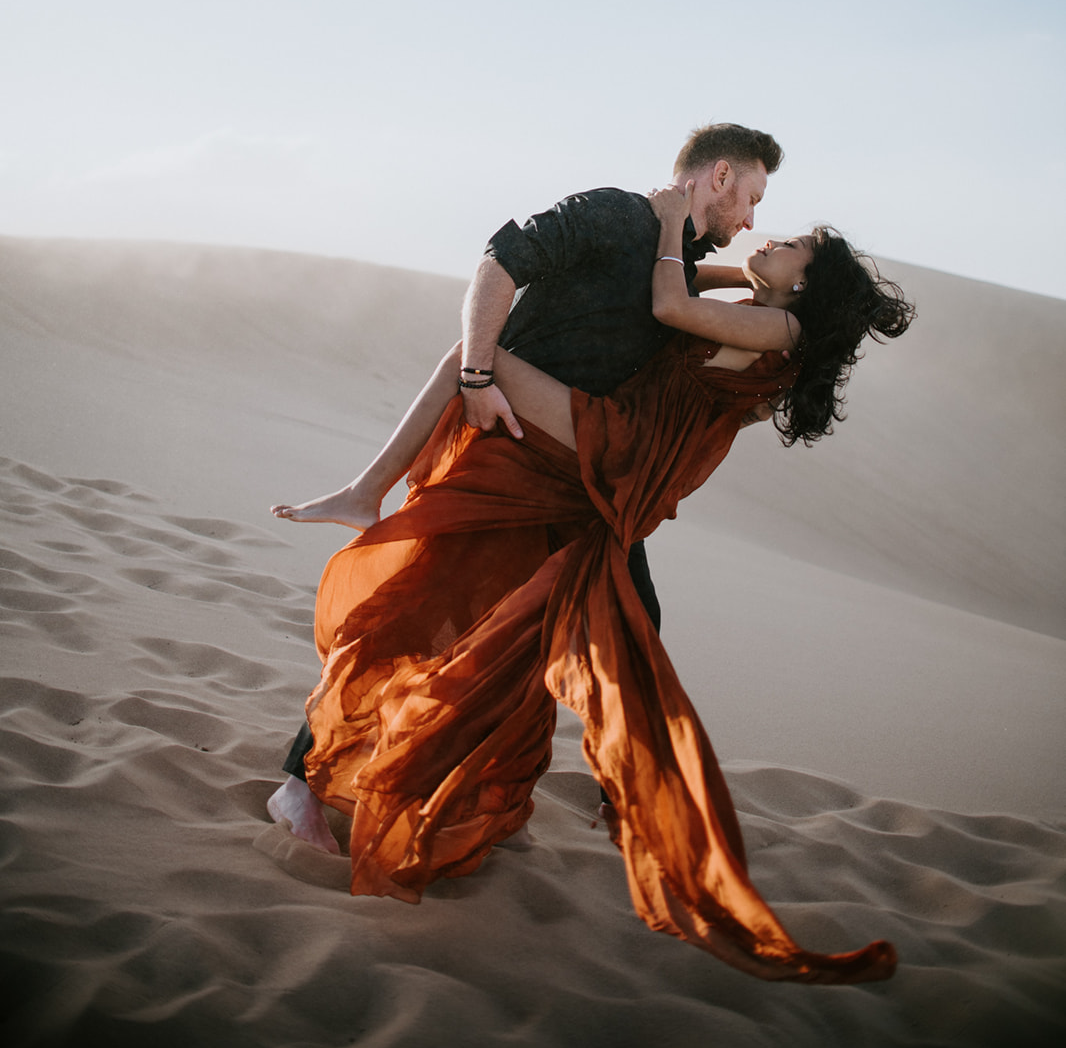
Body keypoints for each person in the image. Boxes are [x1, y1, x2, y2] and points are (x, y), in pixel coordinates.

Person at [267, 181, 915, 986]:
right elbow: (683, 288)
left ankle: (367, 489)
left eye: (788, 245)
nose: (766, 235)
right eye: (757, 213)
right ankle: (502, 785)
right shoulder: (766, 306)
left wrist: (675, 220)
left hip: (618, 446)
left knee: (478, 357)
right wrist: (682, 242)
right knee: (552, 617)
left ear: (805, 282)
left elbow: (672, 304)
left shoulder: (777, 322)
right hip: (622, 451)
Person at [270, 122, 781, 843]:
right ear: (720, 176)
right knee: (425, 613)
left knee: (628, 623)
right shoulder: (615, 213)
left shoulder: (677, 258)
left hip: (580, 486)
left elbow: (690, 300)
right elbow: (500, 260)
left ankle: (612, 803)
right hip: (507, 448)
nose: (753, 219)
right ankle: (300, 781)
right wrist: (478, 374)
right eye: (752, 197)